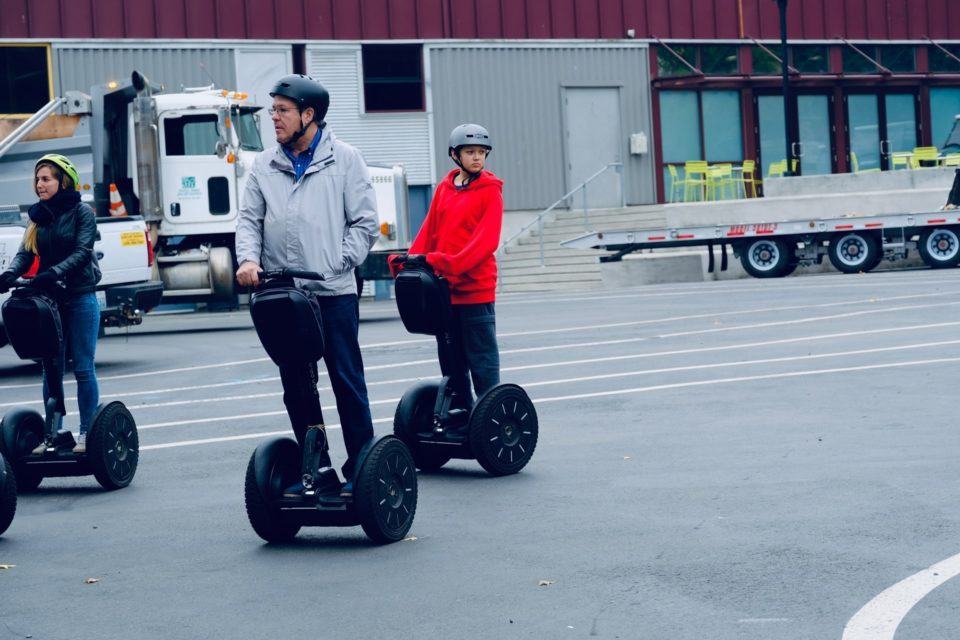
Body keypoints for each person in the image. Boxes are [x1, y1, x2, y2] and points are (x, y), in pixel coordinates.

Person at [235, 74, 379, 499]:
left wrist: (336, 263)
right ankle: (317, 466)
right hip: (285, 296)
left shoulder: (346, 159)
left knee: (345, 379)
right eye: (272, 110)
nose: (273, 118)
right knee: (296, 384)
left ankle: (363, 466)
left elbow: (365, 223)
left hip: (332, 292)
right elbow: (249, 221)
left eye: (282, 110)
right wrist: (248, 259)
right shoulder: (264, 165)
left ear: (308, 115)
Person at [391, 124, 504, 400]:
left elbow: (484, 243)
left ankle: (488, 421)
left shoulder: (490, 192)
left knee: (482, 364)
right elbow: (430, 231)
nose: (477, 158)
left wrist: (444, 263)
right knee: (452, 365)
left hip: (475, 293)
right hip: (444, 293)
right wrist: (410, 263)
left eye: (481, 152)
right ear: (455, 155)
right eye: (470, 152)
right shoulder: (444, 188)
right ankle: (462, 419)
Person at [0, 154, 102, 454]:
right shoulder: (37, 216)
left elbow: (83, 251)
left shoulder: (82, 212)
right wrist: (9, 273)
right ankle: (53, 434)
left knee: (83, 368)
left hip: (80, 296)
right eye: (37, 179)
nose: (39, 185)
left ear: (63, 181)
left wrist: (54, 272)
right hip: (51, 301)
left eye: (46, 179)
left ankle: (87, 433)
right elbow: (26, 253)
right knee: (50, 368)